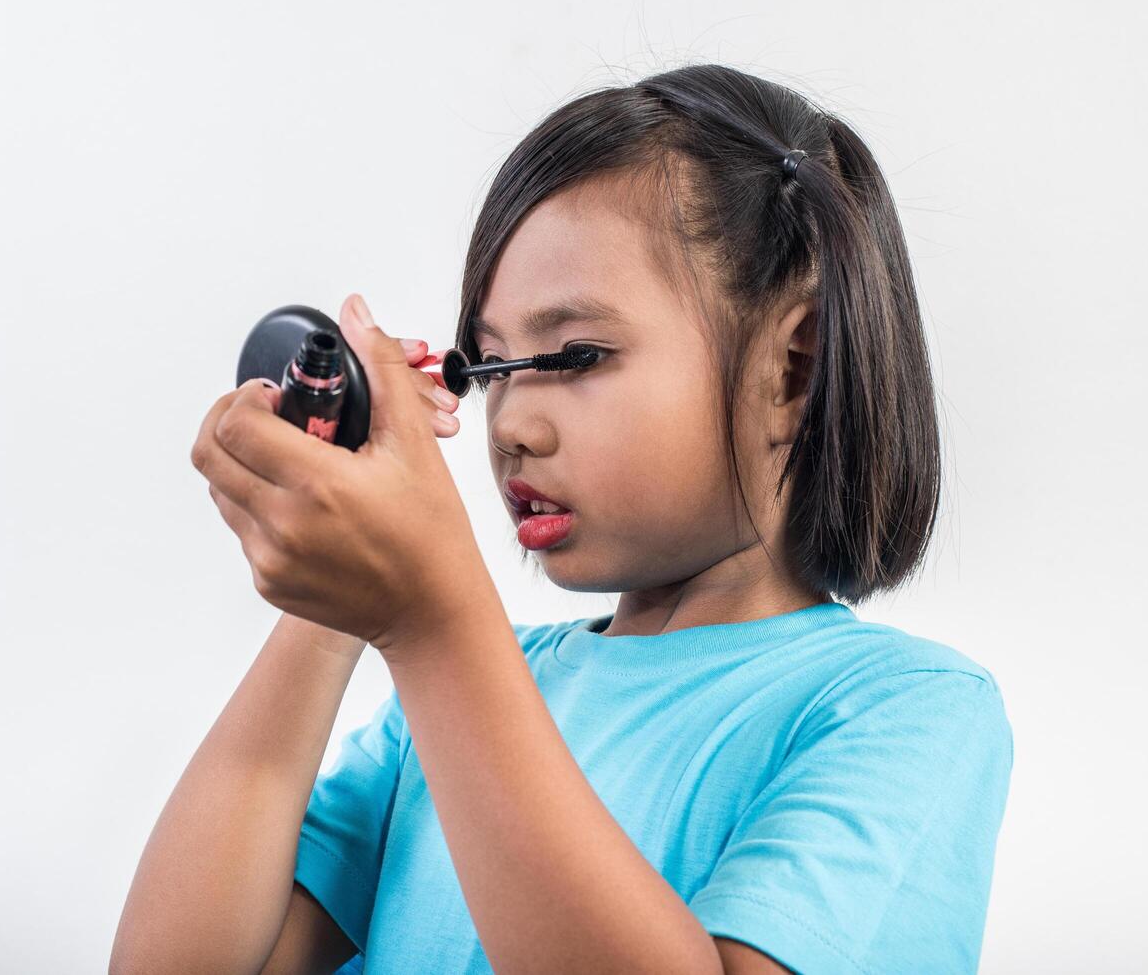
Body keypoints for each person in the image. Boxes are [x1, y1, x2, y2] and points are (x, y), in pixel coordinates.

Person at [113, 63, 1013, 975]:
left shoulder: (902, 709)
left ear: (794, 370)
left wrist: (428, 621)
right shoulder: (456, 692)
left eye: (574, 356)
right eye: (489, 368)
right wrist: (332, 597)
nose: (511, 426)